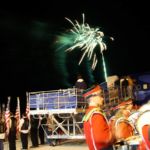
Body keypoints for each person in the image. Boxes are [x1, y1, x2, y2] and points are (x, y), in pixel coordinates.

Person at [82, 84, 115, 150]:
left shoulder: (90, 112)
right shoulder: (96, 115)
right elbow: (102, 139)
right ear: (93, 98)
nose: (102, 98)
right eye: (100, 95)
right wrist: (113, 128)